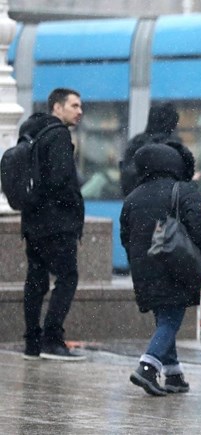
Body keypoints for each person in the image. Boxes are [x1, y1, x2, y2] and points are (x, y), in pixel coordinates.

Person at [120, 142, 201, 396]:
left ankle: (173, 374)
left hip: (145, 266)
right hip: (175, 264)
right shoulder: (183, 190)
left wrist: (138, 262)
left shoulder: (133, 196)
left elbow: (125, 236)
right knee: (171, 318)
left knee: (165, 316)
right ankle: (147, 367)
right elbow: (199, 227)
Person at [20, 88, 85, 361]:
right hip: (56, 223)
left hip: (33, 220)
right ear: (57, 108)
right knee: (67, 278)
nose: (79, 111)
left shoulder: (31, 132)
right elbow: (60, 180)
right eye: (74, 105)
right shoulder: (58, 134)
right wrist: (73, 209)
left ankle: (32, 342)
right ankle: (52, 339)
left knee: (36, 280)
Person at [120, 102, 181, 197]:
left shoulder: (136, 142)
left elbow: (126, 178)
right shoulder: (172, 145)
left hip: (135, 200)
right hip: (163, 203)